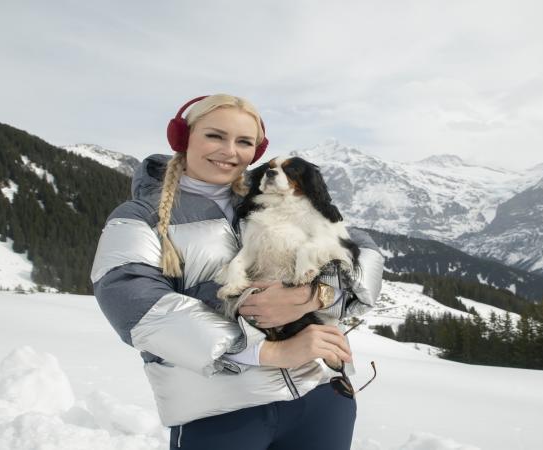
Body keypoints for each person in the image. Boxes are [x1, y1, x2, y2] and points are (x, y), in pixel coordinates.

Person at [90, 94, 384, 449]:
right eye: (215, 136)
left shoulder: (279, 200)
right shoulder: (140, 216)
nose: (230, 151)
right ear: (183, 138)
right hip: (221, 410)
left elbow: (362, 251)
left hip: (322, 395)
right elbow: (133, 304)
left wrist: (315, 296)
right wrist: (267, 352)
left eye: (244, 142)